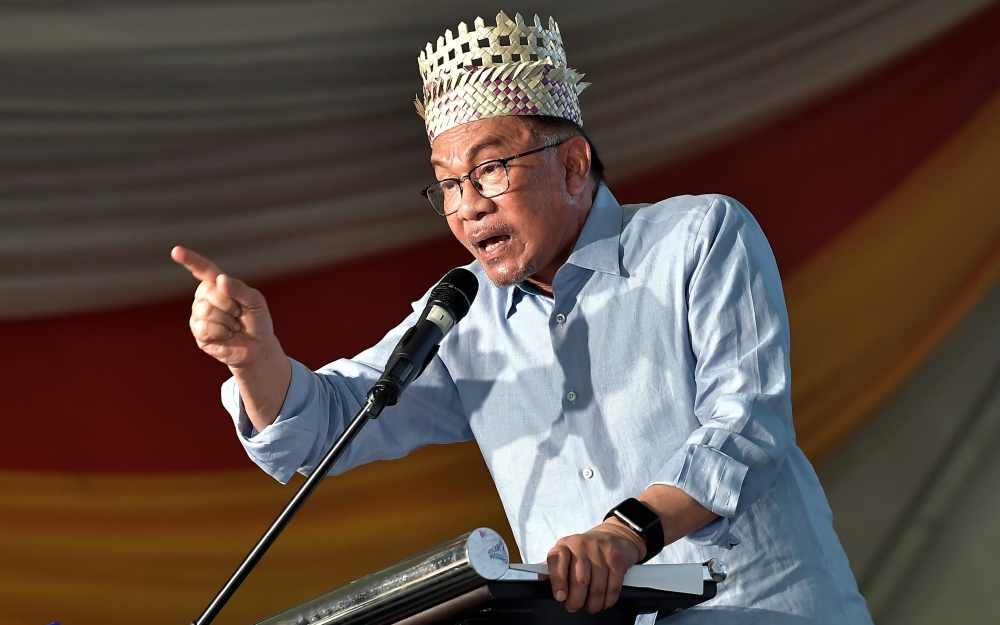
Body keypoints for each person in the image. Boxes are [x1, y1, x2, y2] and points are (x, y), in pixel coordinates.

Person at [172, 12, 872, 624]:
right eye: (447, 183)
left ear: (574, 166)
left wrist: (624, 533)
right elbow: (328, 424)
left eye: (489, 170)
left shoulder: (697, 239)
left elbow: (745, 426)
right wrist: (252, 357)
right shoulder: (459, 315)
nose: (466, 206)